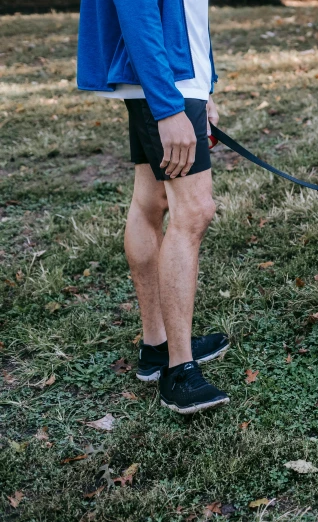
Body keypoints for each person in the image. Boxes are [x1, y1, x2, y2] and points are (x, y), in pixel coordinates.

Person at [77, 0, 230, 414]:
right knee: (194, 210)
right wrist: (169, 107)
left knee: (152, 199)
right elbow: (136, 11)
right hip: (164, 85)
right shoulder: (166, 95)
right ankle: (179, 369)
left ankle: (156, 346)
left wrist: (205, 85)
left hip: (175, 80)